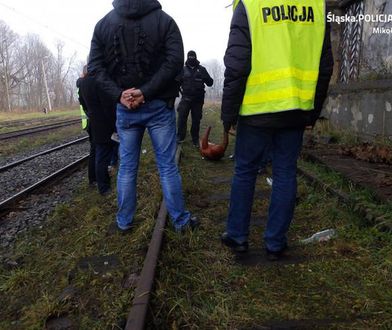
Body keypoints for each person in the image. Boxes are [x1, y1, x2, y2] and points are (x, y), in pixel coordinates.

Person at [220, 0, 334, 260]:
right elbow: (325, 64)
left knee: (245, 170)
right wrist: (312, 112)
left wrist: (228, 114)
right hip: (295, 108)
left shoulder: (249, 5)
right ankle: (275, 242)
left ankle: (237, 236)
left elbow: (236, 65)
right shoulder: (317, 6)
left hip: (256, 108)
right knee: (285, 173)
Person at [88, 0, 198, 232]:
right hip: (158, 105)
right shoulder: (164, 21)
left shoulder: (102, 25)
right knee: (167, 166)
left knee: (126, 168)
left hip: (125, 107)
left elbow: (95, 68)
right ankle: (181, 221)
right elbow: (174, 61)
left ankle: (124, 222)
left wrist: (120, 95)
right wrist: (145, 92)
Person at [77, 66, 118, 196]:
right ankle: (104, 188)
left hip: (94, 123)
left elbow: (83, 103)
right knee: (103, 155)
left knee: (97, 154)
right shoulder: (99, 81)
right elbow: (108, 105)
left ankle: (98, 182)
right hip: (106, 123)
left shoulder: (83, 83)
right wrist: (114, 125)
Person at [176, 50, 213, 147]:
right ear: (187, 58)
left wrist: (206, 78)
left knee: (196, 120)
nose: (191, 59)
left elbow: (210, 83)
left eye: (193, 57)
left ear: (196, 57)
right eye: (190, 57)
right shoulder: (182, 70)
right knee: (181, 118)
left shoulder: (202, 69)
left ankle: (195, 138)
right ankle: (180, 137)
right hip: (185, 99)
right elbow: (176, 83)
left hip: (198, 100)